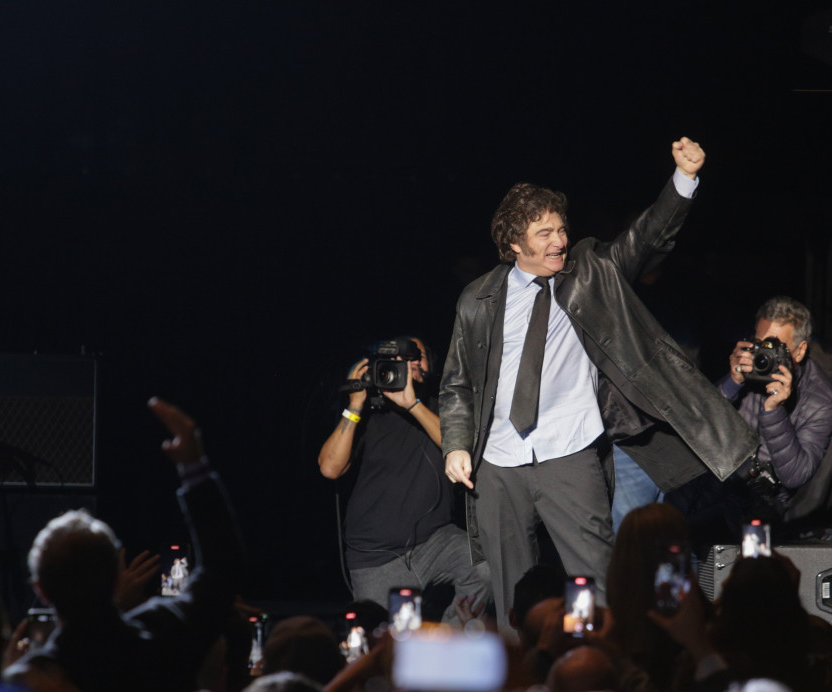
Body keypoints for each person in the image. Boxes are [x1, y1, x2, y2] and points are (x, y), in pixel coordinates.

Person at [439, 137, 757, 625]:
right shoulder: (477, 299)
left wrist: (684, 181)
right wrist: (457, 445)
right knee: (512, 599)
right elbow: (458, 382)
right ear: (513, 245)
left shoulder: (591, 271)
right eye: (544, 233)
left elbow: (647, 239)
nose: (559, 241)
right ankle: (523, 686)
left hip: (571, 454)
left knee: (598, 584)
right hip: (498, 464)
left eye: (561, 229)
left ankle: (609, 674)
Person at [5, 398, 245, 692]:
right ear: (118, 574)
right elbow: (222, 566)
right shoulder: (164, 634)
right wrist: (194, 467)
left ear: (41, 590)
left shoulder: (34, 683)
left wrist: (6, 677)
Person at [317, 336, 488, 625]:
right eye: (400, 360)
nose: (409, 365)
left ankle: (444, 644)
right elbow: (330, 468)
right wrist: (355, 404)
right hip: (375, 555)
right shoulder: (368, 412)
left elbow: (459, 447)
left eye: (415, 357)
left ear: (429, 363)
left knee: (486, 564)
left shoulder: (443, 405)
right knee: (381, 645)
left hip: (435, 542)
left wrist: (413, 405)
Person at [672, 296, 832, 543]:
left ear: (800, 350)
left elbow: (795, 475)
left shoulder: (820, 400)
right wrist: (732, 382)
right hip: (711, 483)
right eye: (760, 345)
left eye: (775, 347)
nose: (764, 356)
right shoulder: (747, 371)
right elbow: (698, 425)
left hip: (761, 505)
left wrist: (774, 410)